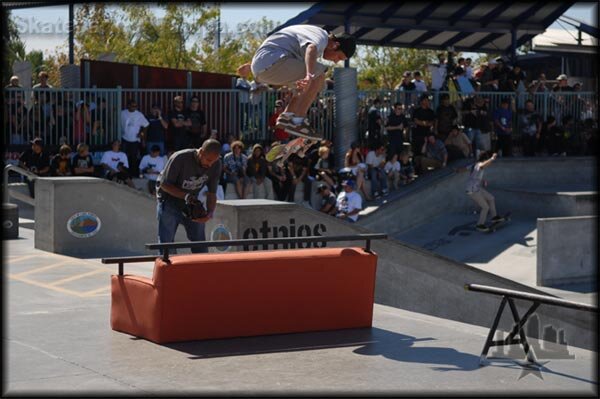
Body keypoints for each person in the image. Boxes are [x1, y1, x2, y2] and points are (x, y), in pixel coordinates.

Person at [238, 24, 356, 139]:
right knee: (319, 74)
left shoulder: (308, 35)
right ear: (335, 45)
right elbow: (311, 48)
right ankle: (299, 120)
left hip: (267, 65)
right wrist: (309, 75)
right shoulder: (321, 37)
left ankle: (287, 117)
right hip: (272, 62)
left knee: (307, 85)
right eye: (339, 57)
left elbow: (279, 45)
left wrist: (251, 66)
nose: (335, 61)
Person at [156, 139, 222, 254]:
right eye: (208, 160)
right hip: (169, 200)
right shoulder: (180, 158)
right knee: (166, 241)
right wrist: (186, 196)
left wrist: (209, 213)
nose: (210, 164)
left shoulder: (216, 164)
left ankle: (201, 268)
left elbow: (212, 193)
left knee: (200, 241)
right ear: (201, 152)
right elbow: (164, 184)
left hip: (191, 202)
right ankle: (169, 269)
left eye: (214, 161)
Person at [465, 152, 505, 232]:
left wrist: (456, 170)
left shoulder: (474, 165)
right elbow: (483, 165)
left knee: (491, 198)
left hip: (477, 188)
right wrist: (492, 159)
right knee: (485, 207)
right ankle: (479, 225)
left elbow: (465, 169)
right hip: (473, 190)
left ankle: (494, 217)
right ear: (484, 159)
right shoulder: (479, 164)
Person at [121, 99, 149, 176]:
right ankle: (124, 173)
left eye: (136, 106)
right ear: (128, 105)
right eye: (133, 106)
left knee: (134, 158)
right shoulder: (122, 113)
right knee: (123, 157)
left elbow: (146, 125)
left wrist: (142, 134)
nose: (134, 107)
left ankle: (133, 174)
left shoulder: (139, 114)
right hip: (124, 138)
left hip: (135, 140)